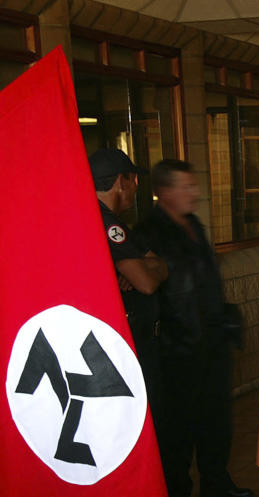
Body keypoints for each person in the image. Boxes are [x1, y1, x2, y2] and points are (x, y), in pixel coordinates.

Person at [136, 159, 252, 497]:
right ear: (164, 191)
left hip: (211, 341)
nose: (195, 193)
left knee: (216, 419)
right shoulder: (148, 231)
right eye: (186, 186)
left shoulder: (195, 226)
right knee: (178, 430)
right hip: (177, 348)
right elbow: (149, 291)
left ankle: (216, 481)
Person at [89, 149, 167, 406]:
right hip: (125, 345)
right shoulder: (107, 225)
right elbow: (146, 283)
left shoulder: (104, 220)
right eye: (133, 179)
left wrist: (148, 267)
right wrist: (146, 270)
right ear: (120, 182)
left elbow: (158, 262)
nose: (136, 186)